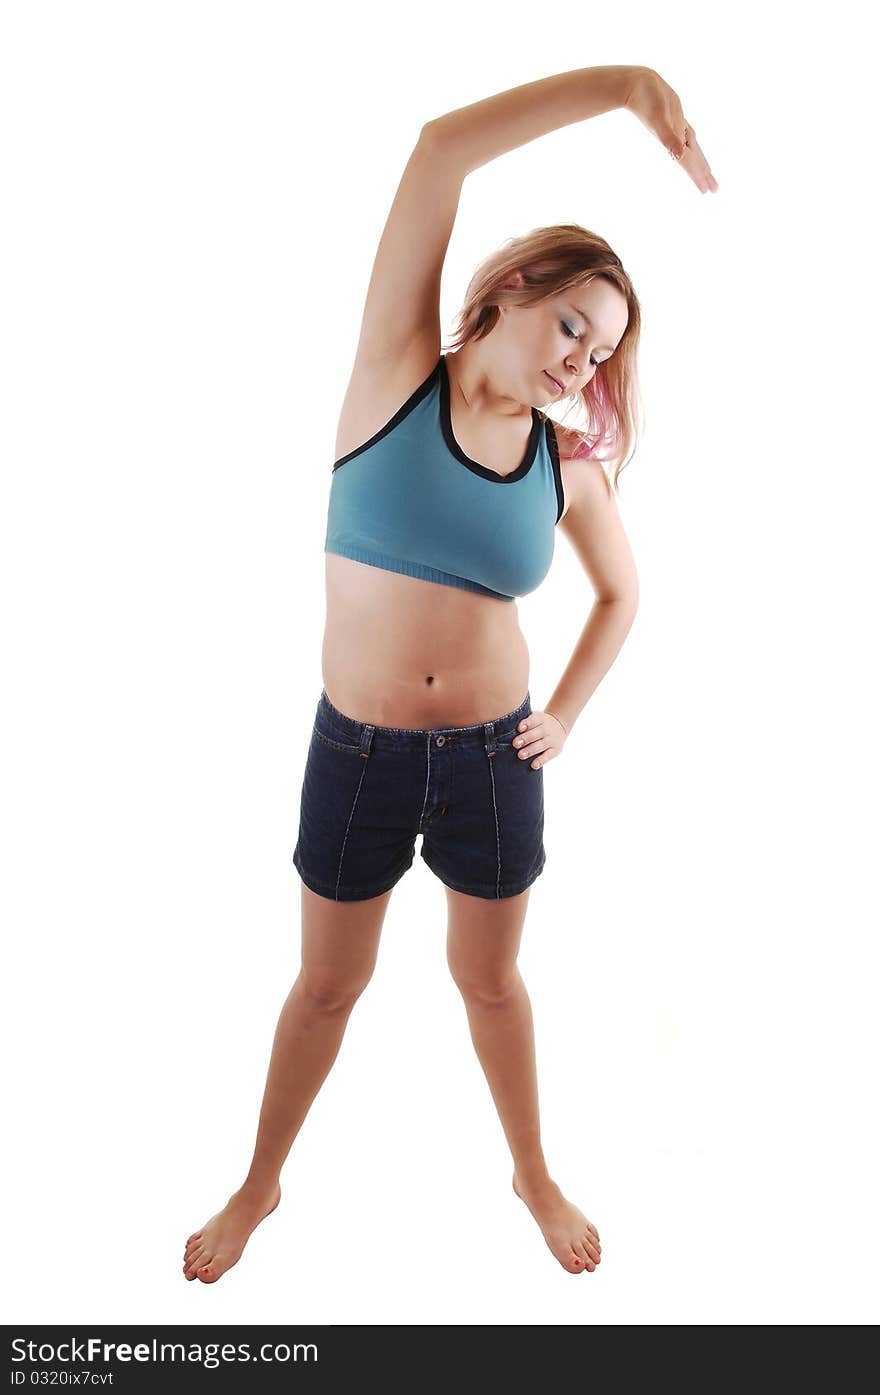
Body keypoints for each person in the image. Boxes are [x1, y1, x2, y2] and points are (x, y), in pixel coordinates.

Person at [183, 63, 718, 1285]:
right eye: (573, 324)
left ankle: (531, 1172)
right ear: (514, 292)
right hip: (355, 750)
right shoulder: (393, 377)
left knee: (490, 987)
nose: (582, 362)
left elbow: (624, 593)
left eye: (602, 353)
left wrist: (566, 716)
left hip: (491, 760)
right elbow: (435, 151)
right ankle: (261, 1182)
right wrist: (627, 88)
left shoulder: (563, 468)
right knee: (326, 988)